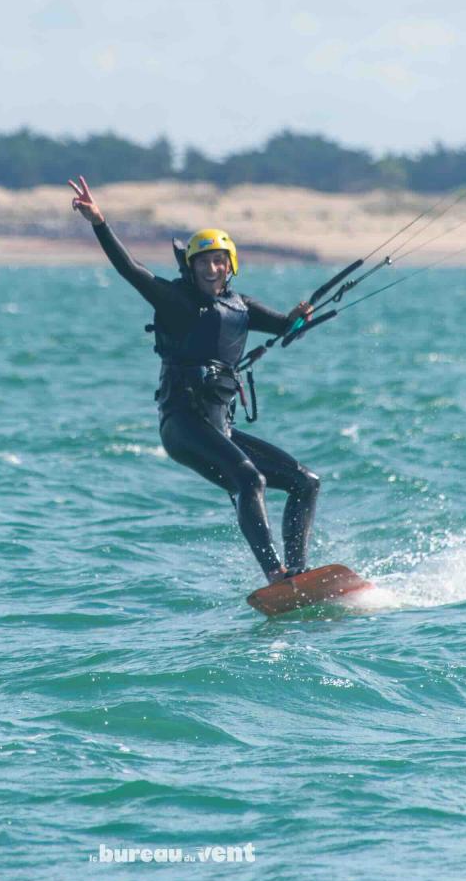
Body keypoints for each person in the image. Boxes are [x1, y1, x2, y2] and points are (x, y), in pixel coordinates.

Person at [68, 175, 320, 585]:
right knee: (249, 478)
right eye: (203, 261)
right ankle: (275, 573)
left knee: (305, 482)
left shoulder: (241, 307)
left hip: (220, 427)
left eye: (219, 260)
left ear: (231, 264)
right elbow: (130, 270)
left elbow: (286, 329)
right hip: (182, 425)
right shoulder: (175, 301)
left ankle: (298, 572)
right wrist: (100, 222)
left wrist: (299, 319)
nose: (212, 267)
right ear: (191, 266)